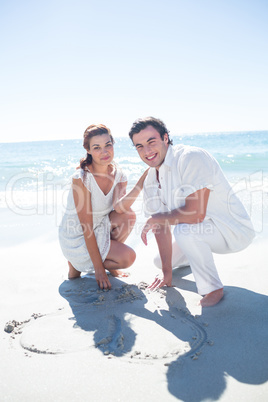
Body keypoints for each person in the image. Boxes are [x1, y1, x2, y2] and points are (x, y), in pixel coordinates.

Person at [128, 117, 255, 307]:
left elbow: (196, 214)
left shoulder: (191, 157)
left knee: (184, 230)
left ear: (165, 138)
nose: (147, 151)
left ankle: (212, 288)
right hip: (202, 231)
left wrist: (158, 218)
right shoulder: (150, 179)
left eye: (151, 142)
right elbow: (160, 226)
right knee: (160, 261)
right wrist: (166, 273)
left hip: (232, 231)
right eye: (139, 146)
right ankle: (193, 253)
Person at [59, 124, 146, 290]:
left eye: (108, 145)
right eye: (97, 147)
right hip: (77, 234)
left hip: (101, 226)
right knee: (128, 257)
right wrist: (99, 270)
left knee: (129, 215)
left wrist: (140, 184)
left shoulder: (119, 174)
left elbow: (120, 208)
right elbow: (86, 226)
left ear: (113, 144)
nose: (104, 152)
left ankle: (103, 260)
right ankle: (76, 264)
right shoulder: (82, 177)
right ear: (88, 150)